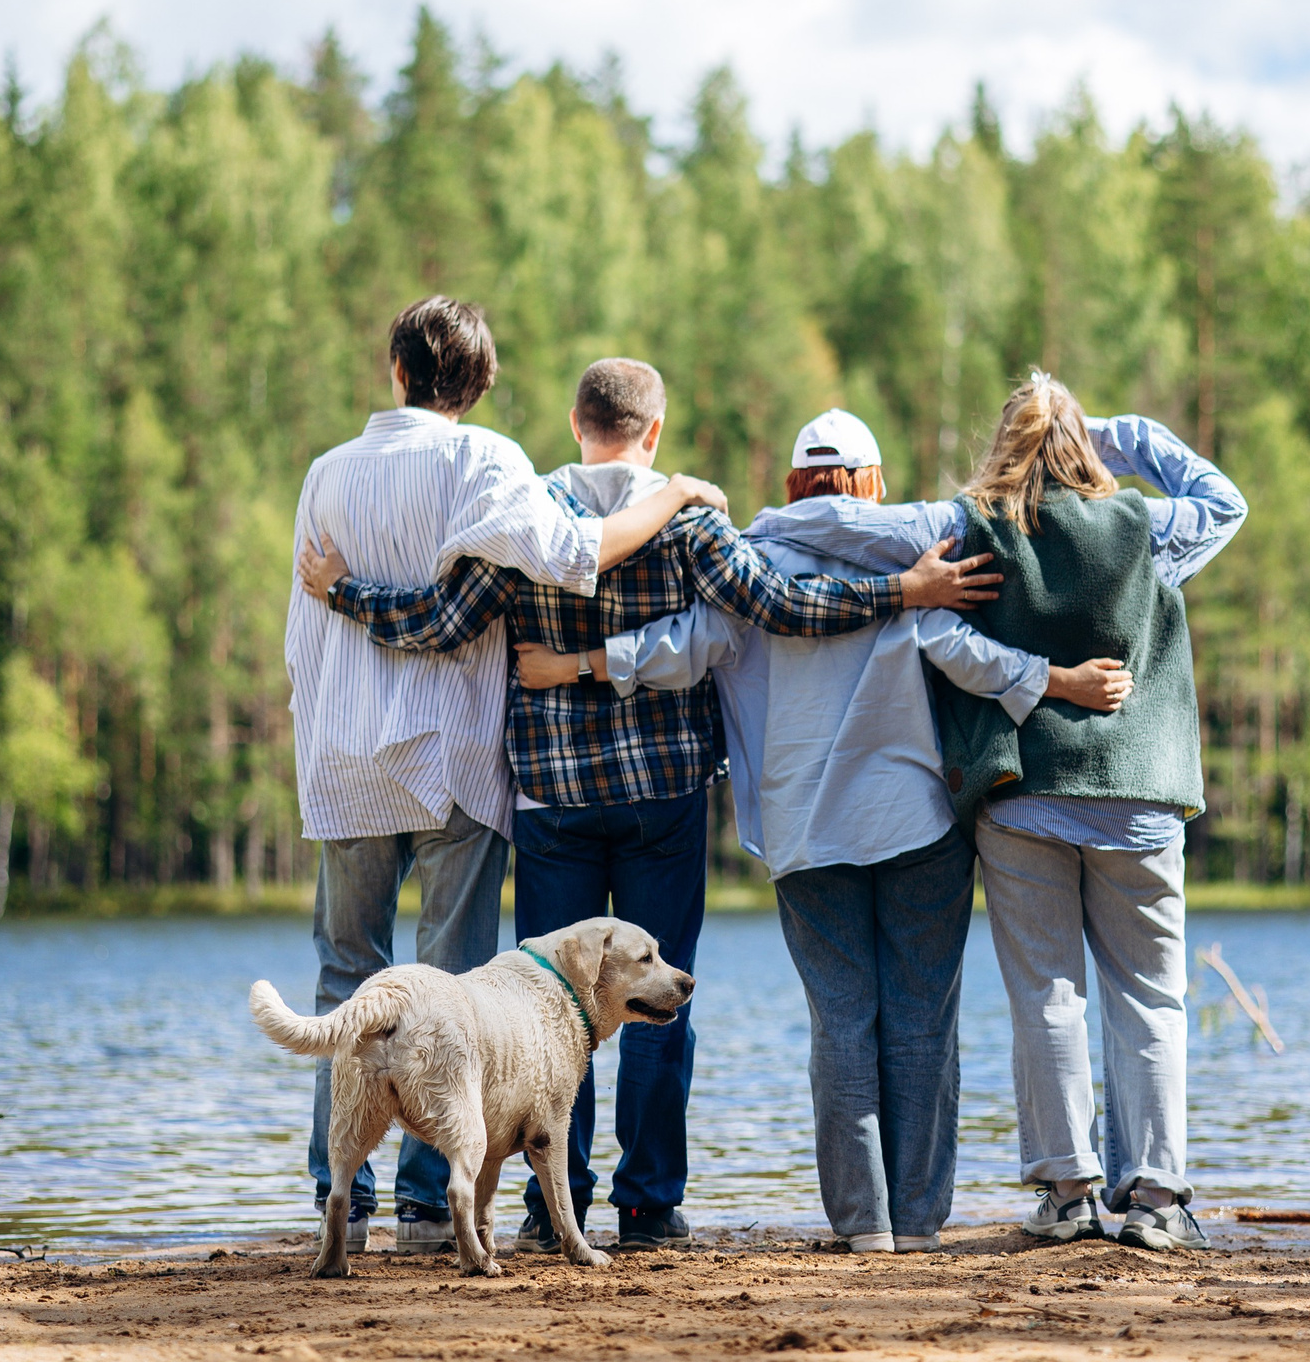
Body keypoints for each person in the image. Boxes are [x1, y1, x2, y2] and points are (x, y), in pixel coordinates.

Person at [296, 361, 995, 1254]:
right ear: (654, 431)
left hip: (554, 798)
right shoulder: (691, 516)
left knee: (552, 1014)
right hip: (662, 797)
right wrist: (904, 590)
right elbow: (776, 605)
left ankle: (558, 1207)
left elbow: (439, 621)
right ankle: (651, 1204)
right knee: (662, 999)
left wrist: (342, 589)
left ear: (575, 421)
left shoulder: (529, 510)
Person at [515, 407, 1132, 1254]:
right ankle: (918, 1221)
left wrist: (578, 663)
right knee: (921, 1020)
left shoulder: (749, 563)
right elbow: (967, 629)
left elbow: (676, 648)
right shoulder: (920, 551)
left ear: (792, 484)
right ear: (872, 481)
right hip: (918, 825)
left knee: (841, 1021)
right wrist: (1052, 674)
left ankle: (863, 1224)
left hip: (806, 833)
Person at [748, 374, 1246, 1252]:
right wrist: (1121, 434)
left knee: (1046, 995)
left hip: (1023, 797)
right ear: (1088, 445)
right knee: (1151, 997)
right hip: (1140, 798)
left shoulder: (967, 526)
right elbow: (1224, 501)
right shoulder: (1145, 528)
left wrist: (758, 526)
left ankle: (1068, 1191)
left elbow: (862, 545)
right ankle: (1160, 1197)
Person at [286, 300, 726, 1257]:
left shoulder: (324, 473)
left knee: (346, 976)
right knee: (443, 987)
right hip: (450, 755)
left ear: (394, 368)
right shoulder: (485, 462)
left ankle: (339, 1194)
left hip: (346, 752)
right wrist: (678, 489)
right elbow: (573, 555)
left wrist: (315, 726)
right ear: (479, 386)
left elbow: (303, 632)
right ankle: (425, 1202)